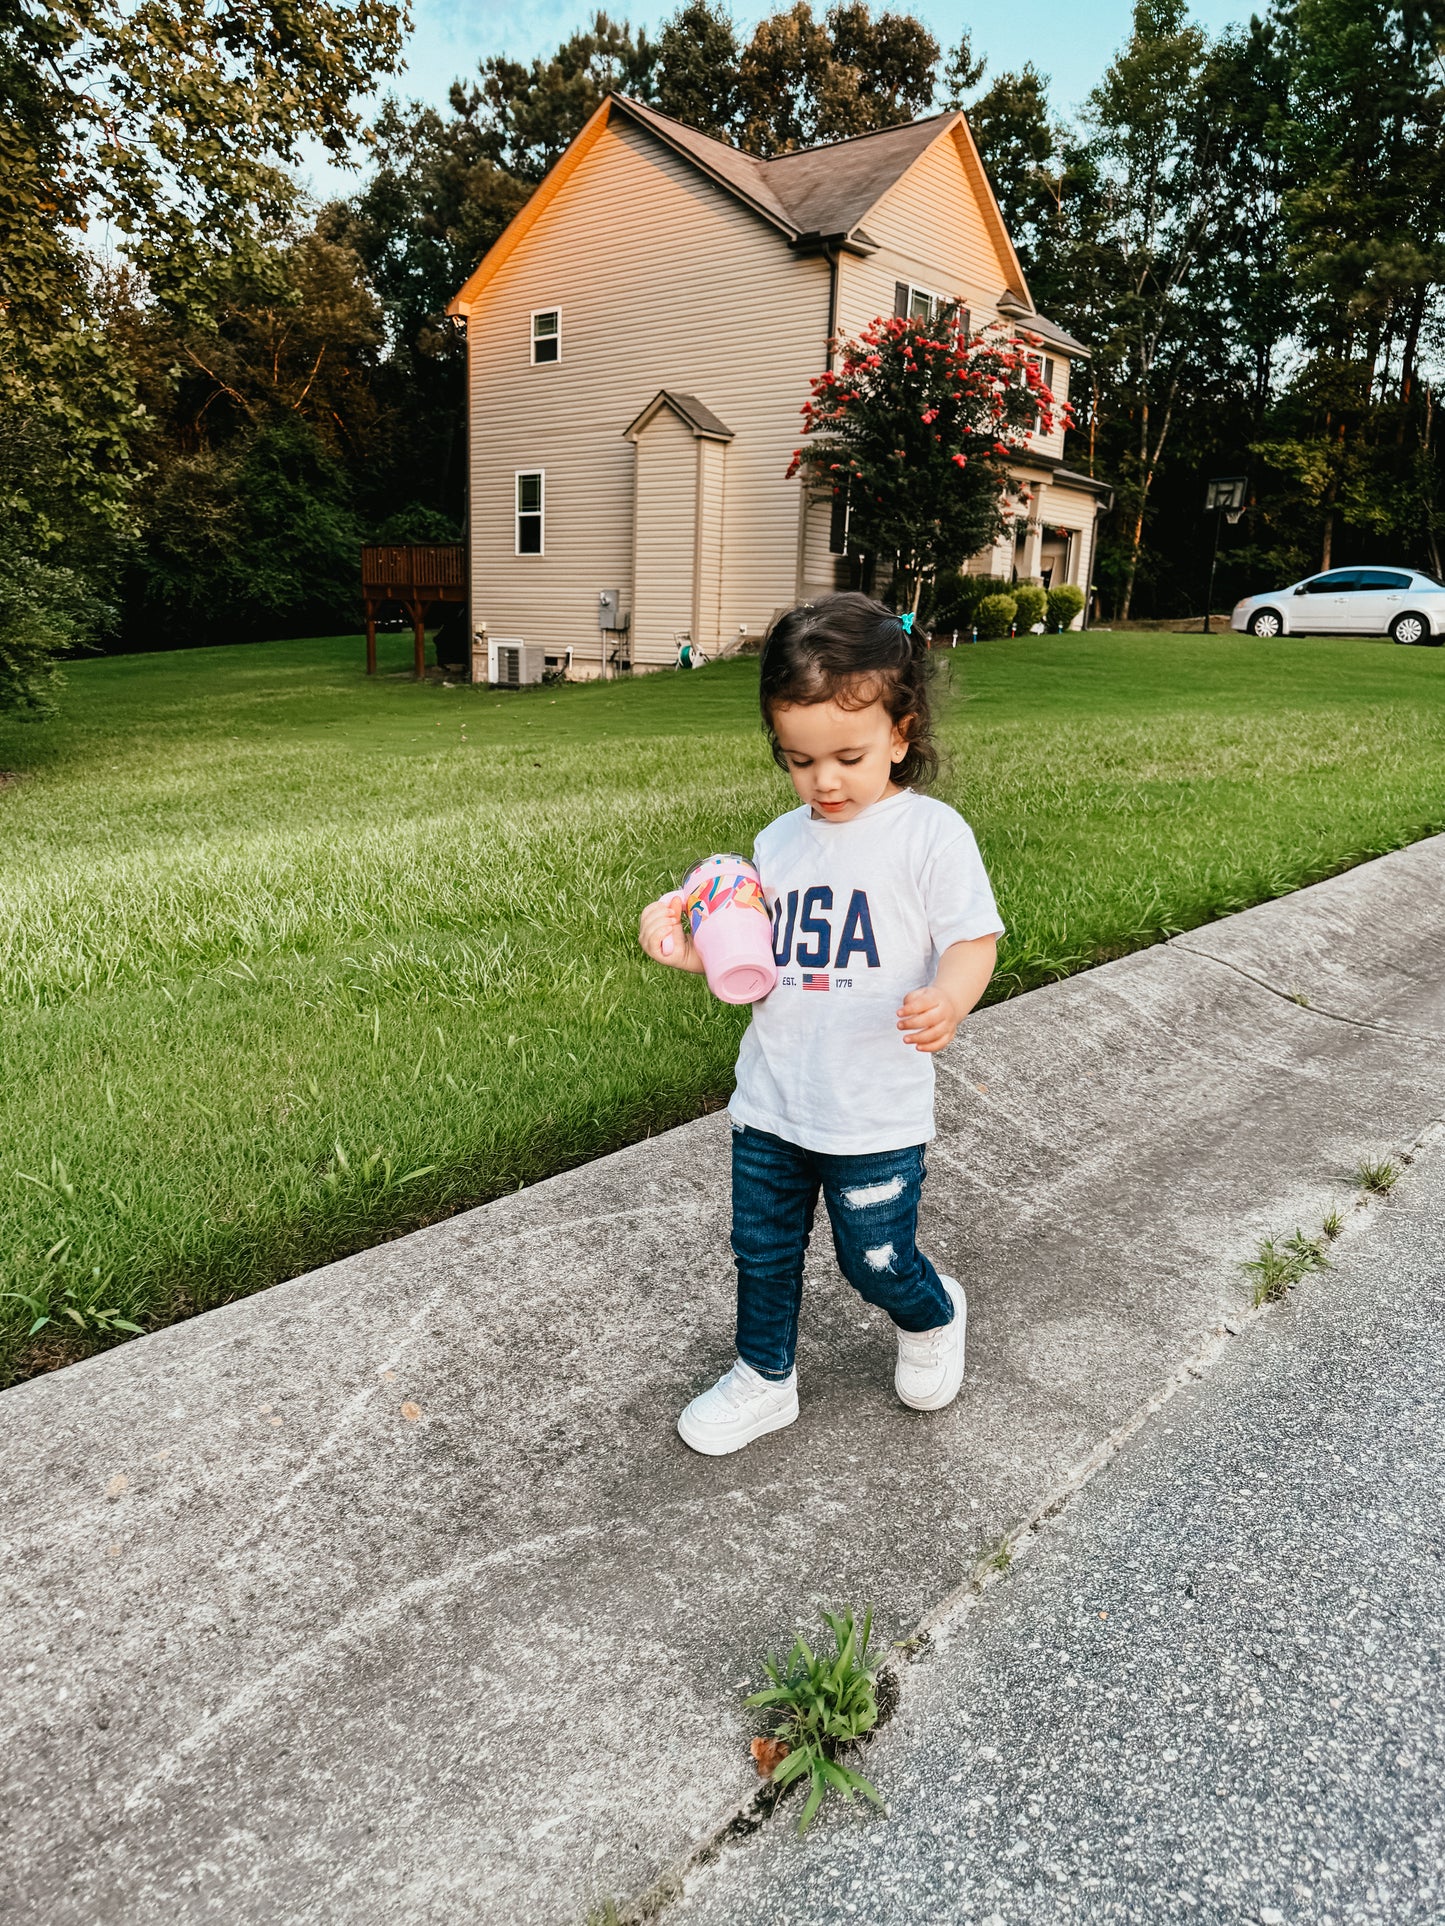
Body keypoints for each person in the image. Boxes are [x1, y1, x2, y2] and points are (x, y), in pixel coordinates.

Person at [638, 592, 1003, 1455]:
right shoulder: (777, 844)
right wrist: (691, 953)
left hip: (873, 1111)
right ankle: (764, 1377)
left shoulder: (928, 835)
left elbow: (973, 941)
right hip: (771, 1100)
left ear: (901, 732)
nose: (824, 782)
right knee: (760, 1254)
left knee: (871, 1261)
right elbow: (752, 960)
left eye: (848, 755)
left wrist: (949, 998)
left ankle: (932, 1312)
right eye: (800, 761)